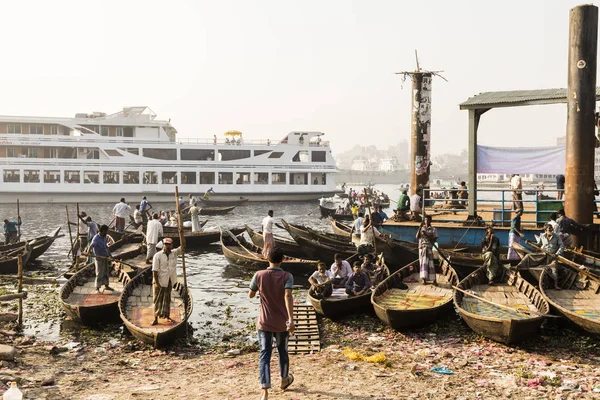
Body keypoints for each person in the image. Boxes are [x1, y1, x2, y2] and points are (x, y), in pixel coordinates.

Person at [248, 247, 295, 400]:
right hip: (281, 323)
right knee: (283, 352)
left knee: (264, 354)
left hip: (264, 323)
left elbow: (251, 294)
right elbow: (288, 296)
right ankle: (284, 379)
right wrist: (291, 320)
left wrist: (259, 291)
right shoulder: (287, 276)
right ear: (282, 260)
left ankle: (265, 390)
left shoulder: (259, 275)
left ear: (267, 258)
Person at [514, 224, 563, 290]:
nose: (551, 230)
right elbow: (538, 244)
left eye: (551, 229)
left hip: (552, 256)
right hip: (543, 254)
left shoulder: (556, 237)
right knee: (528, 256)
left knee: (554, 269)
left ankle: (555, 285)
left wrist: (557, 254)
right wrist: (530, 243)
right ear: (545, 230)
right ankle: (518, 267)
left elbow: (561, 246)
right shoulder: (542, 236)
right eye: (549, 229)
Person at [152, 237, 184, 325]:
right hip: (159, 281)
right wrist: (157, 283)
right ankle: (155, 318)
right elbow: (154, 271)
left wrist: (181, 235)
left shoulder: (174, 253)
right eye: (166, 245)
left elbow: (183, 247)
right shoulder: (157, 255)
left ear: (172, 245)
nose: (167, 246)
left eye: (169, 245)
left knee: (167, 300)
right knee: (157, 300)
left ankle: (167, 316)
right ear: (163, 245)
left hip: (169, 280)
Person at [89, 225, 113, 294]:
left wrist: (110, 255)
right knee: (99, 273)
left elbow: (106, 246)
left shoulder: (104, 236)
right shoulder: (96, 238)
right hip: (99, 258)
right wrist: (88, 252)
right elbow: (91, 246)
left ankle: (106, 285)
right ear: (102, 231)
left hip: (105, 256)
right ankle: (97, 288)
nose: (107, 232)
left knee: (106, 271)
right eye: (106, 231)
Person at [416, 215, 437, 284]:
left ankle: (433, 279)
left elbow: (434, 239)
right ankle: (424, 279)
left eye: (428, 220)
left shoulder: (433, 229)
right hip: (422, 248)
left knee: (430, 264)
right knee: (423, 264)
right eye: (425, 220)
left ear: (430, 221)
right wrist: (419, 228)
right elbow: (417, 237)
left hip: (429, 248)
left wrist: (426, 235)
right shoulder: (422, 228)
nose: (426, 221)